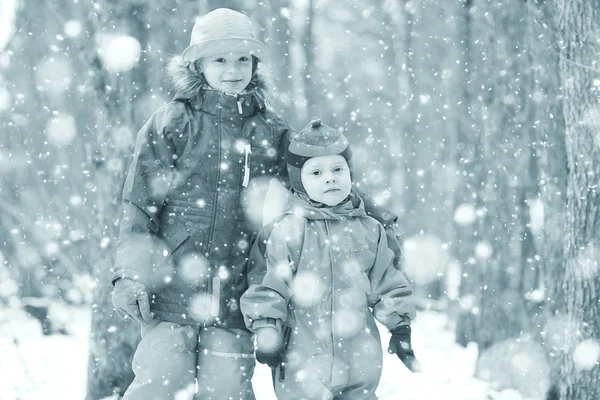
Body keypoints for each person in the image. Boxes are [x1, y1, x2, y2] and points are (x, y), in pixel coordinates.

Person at [110, 7, 404, 400]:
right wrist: (129, 274)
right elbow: (138, 204)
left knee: (227, 390)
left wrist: (373, 214)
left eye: (242, 59)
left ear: (255, 64)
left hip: (238, 289)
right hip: (172, 287)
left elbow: (318, 178)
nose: (233, 69)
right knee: (158, 383)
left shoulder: (269, 128)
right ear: (197, 64)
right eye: (220, 59)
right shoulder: (171, 123)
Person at [240, 119, 421, 400]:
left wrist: (400, 326)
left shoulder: (369, 229)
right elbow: (269, 285)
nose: (330, 178)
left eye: (338, 169)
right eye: (317, 172)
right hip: (302, 356)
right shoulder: (288, 230)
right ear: (299, 181)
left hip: (359, 356)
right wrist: (267, 329)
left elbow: (387, 282)